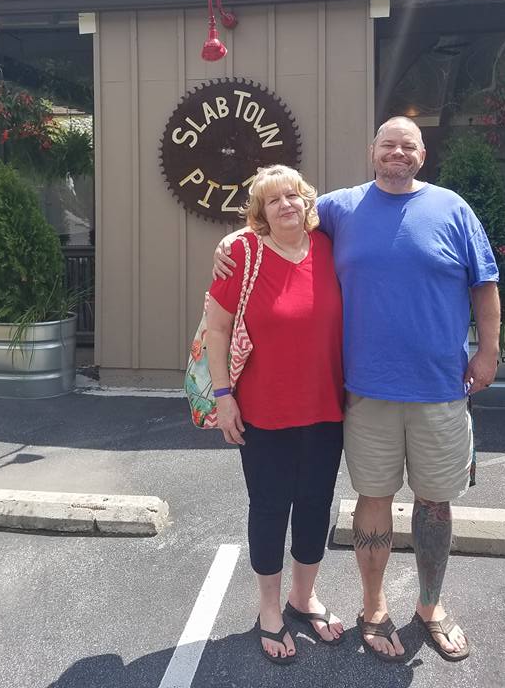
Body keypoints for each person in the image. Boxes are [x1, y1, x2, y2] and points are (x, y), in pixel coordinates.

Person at [214, 117, 500, 663]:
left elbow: (484, 284)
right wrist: (234, 236)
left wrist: (488, 352)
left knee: (435, 503)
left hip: (441, 388)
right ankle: (373, 608)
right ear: (373, 151)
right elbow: (280, 215)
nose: (397, 153)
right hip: (366, 393)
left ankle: (430, 606)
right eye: (388, 144)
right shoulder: (342, 208)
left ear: (422, 154)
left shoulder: (453, 209)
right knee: (373, 499)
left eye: (408, 145)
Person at [206, 164, 345, 665]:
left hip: (326, 408)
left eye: (293, 195)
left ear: (307, 201)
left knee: (315, 504)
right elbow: (217, 330)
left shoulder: (328, 246)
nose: (286, 204)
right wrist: (223, 396)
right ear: (260, 212)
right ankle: (269, 608)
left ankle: (303, 597)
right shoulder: (243, 253)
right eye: (273, 199)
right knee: (269, 508)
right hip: (262, 412)